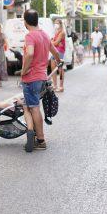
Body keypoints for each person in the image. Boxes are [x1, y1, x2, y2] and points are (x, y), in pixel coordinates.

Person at [21, 9, 62, 152]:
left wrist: (24, 70)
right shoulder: (44, 35)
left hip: (31, 77)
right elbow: (55, 52)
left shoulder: (30, 36)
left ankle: (41, 139)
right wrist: (59, 61)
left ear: (25, 22)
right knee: (29, 106)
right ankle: (32, 134)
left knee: (34, 107)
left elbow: (30, 53)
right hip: (41, 77)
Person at [51, 19, 66, 92]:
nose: (55, 24)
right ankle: (55, 85)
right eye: (55, 23)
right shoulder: (56, 33)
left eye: (57, 23)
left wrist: (52, 42)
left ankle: (61, 86)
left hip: (60, 51)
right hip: (55, 51)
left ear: (60, 24)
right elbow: (54, 42)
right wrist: (53, 42)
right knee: (53, 69)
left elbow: (55, 43)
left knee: (60, 69)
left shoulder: (62, 33)